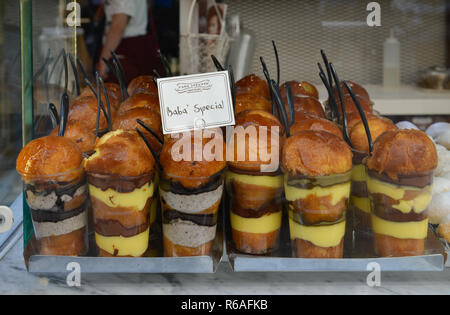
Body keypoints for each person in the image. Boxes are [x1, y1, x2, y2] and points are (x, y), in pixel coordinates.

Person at [96, 0, 164, 83]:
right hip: (135, 46)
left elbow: (119, 24)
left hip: (128, 50)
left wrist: (103, 61)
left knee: (129, 92)